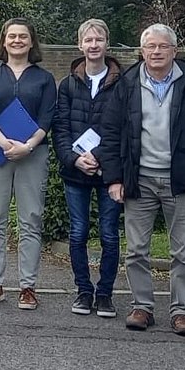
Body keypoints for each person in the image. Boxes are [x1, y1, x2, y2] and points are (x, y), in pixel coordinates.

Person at [100, 24, 185, 337]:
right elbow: (111, 134)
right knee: (137, 249)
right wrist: (114, 178)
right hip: (138, 179)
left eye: (163, 46)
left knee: (183, 251)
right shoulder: (126, 84)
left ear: (174, 51)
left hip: (180, 179)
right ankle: (142, 306)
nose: (156, 52)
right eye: (150, 47)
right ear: (141, 52)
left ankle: (182, 311)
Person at [0, 18, 56, 310]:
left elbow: (48, 117)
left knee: (30, 220)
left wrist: (28, 146)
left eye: (23, 36)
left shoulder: (44, 78)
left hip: (32, 154)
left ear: (31, 42)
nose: (17, 41)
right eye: (12, 36)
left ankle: (27, 286)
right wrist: (4, 143)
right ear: (4, 41)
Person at [51, 19, 123, 318]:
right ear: (80, 45)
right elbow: (61, 127)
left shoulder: (123, 82)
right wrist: (74, 158)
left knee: (108, 234)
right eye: (88, 40)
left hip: (109, 172)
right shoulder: (67, 84)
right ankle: (83, 291)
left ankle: (105, 294)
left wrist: (102, 159)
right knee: (78, 233)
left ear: (107, 44)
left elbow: (123, 128)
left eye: (99, 39)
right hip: (75, 171)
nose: (94, 45)